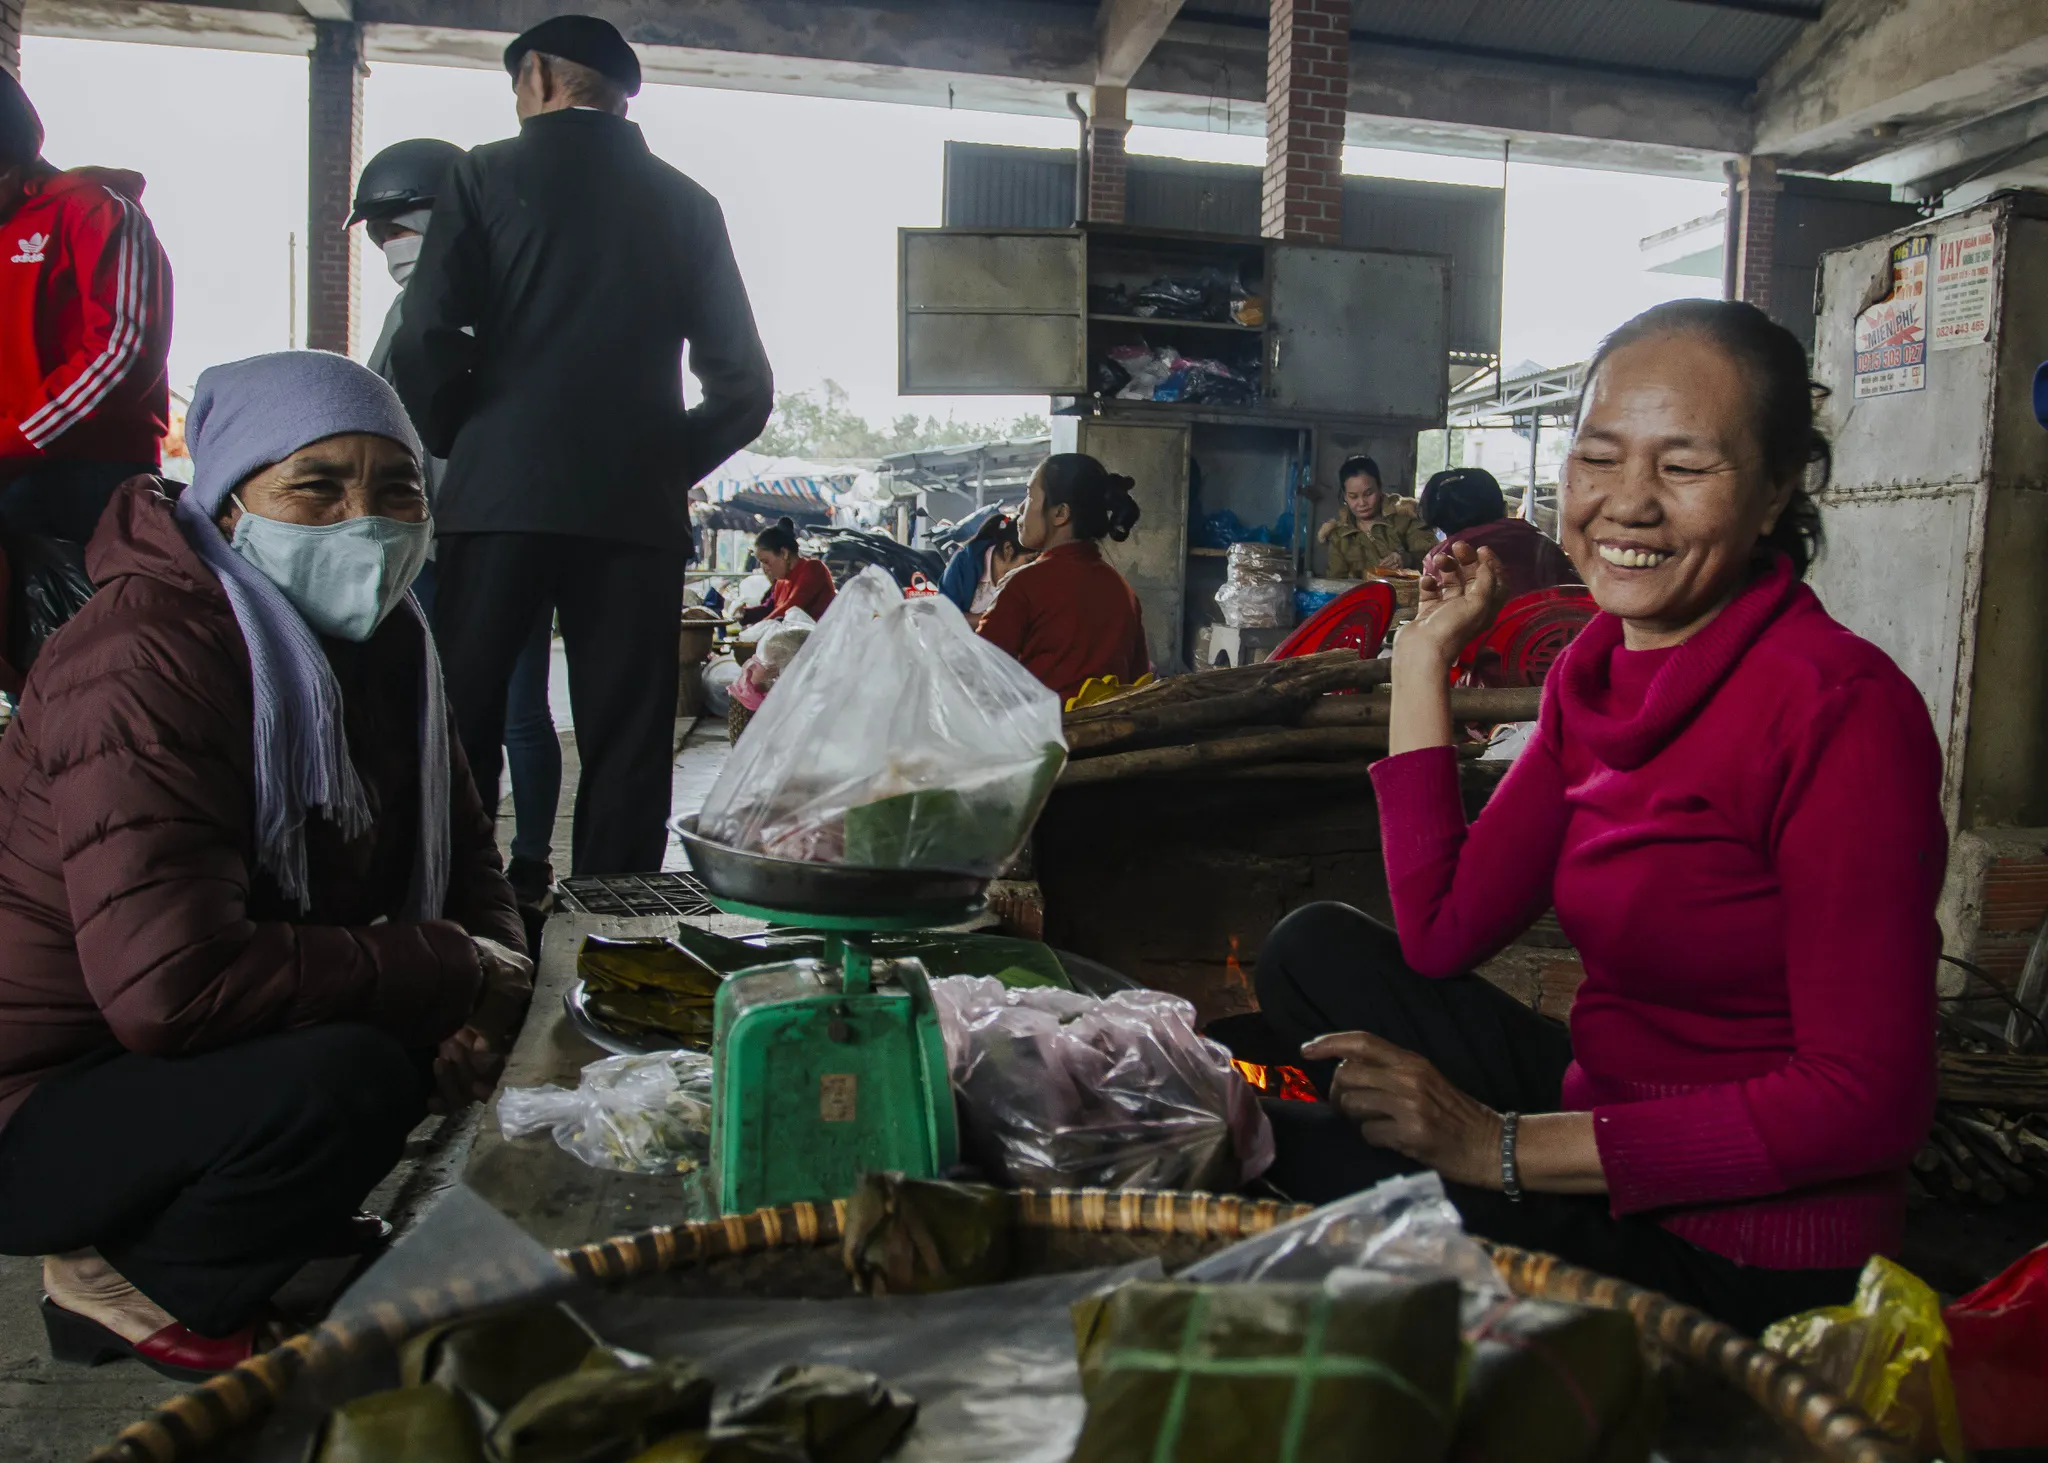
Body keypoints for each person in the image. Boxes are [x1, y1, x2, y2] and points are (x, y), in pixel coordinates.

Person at [1239, 300, 1946, 1335]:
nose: (1627, 505)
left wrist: (1498, 1146)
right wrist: (1425, 655)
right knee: (1312, 952)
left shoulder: (1839, 708)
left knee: (1266, 1142)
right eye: (1598, 459)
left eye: (1683, 466)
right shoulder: (1594, 669)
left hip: (1733, 1250)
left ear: (1774, 489)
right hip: (1600, 1114)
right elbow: (1438, 933)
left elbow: (1865, 1098)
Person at [0, 351, 532, 1377]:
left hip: (148, 1067)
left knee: (408, 1034)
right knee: (349, 1071)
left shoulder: (388, 644)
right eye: (316, 486)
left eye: (395, 488)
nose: (363, 523)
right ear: (233, 500)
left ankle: (259, 1226)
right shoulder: (146, 656)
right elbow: (172, 987)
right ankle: (119, 1278)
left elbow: (468, 852)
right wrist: (449, 965)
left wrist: (485, 991)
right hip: (36, 1102)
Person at [392, 13, 774, 876]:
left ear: (535, 77)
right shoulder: (688, 203)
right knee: (628, 744)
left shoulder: (484, 174)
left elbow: (426, 340)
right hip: (633, 516)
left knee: (465, 723)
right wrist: (658, 462)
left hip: (496, 501)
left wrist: (463, 435)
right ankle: (612, 947)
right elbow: (745, 389)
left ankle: (461, 927)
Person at [354, 137, 560, 907]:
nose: (390, 245)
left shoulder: (463, 297)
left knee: (494, 713)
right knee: (495, 709)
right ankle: (494, 866)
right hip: (459, 535)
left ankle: (494, 868)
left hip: (479, 531)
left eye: (399, 225)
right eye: (379, 233)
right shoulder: (453, 297)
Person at [0, 70, 172, 545]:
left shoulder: (96, 210)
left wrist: (16, 439)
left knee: (94, 619)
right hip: (11, 461)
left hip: (88, 473)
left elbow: (124, 349)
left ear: (13, 160)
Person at [978, 454, 1149, 704]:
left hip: (1043, 739)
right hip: (1110, 738)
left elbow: (979, 672)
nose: (1022, 508)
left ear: (1060, 513)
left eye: (1030, 496)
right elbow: (1138, 685)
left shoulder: (1024, 585)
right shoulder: (1123, 591)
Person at [1417, 466, 1581, 602]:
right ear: (1504, 508)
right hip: (1559, 637)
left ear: (1436, 522)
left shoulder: (1442, 559)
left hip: (1483, 640)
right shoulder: (1541, 543)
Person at [1319, 455, 1435, 577]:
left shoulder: (1406, 516)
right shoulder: (1340, 536)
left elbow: (1433, 559)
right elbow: (1337, 582)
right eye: (1353, 496)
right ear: (1345, 496)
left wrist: (1406, 559)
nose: (1362, 503)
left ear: (1380, 488)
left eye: (1368, 494)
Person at [735, 518, 835, 626]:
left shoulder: (814, 569)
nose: (764, 568)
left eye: (766, 561)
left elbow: (789, 609)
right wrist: (745, 614)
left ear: (784, 553)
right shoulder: (781, 581)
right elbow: (769, 609)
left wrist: (758, 629)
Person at [940, 512, 1031, 626]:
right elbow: (944, 616)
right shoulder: (965, 563)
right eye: (1029, 560)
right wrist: (997, 620)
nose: (1034, 566)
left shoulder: (1024, 579)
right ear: (1008, 549)